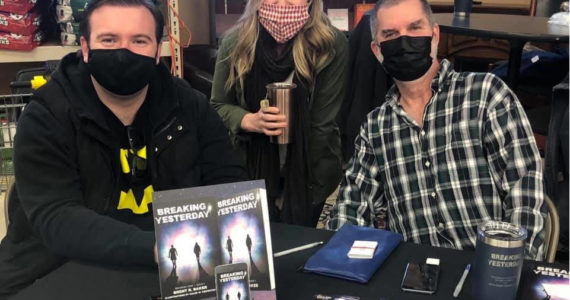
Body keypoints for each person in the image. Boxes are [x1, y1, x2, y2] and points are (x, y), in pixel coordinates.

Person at [0, 0, 246, 296]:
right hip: (58, 266)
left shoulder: (190, 107)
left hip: (174, 268)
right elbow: (57, 216)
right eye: (109, 39)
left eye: (139, 40)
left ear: (158, 50)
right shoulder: (46, 116)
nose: (123, 52)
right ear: (85, 47)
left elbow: (228, 184)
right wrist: (158, 246)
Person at [327, 0, 546, 260]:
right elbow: (352, 204)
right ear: (377, 50)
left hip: (488, 268)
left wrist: (508, 272)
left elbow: (525, 194)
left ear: (435, 35)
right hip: (414, 275)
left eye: (415, 28)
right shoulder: (376, 126)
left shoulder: (486, 95)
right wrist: (339, 261)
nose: (404, 40)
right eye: (391, 34)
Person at [211, 0, 349, 227]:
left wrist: (298, 186)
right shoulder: (235, 43)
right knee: (256, 245)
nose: (281, 2)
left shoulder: (329, 45)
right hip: (249, 170)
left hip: (311, 173)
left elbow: (321, 125)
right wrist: (248, 120)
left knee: (297, 244)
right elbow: (218, 105)